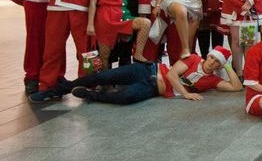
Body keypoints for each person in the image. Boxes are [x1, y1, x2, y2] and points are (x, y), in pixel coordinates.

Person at [30, 46, 241, 104]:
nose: (213, 63)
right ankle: (57, 90)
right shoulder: (193, 58)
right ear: (208, 56)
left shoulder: (212, 80)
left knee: (126, 97)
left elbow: (236, 88)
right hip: (149, 70)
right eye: (213, 58)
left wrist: (229, 65)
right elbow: (172, 76)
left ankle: (90, 95)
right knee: (103, 76)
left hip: (152, 89)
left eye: (217, 63)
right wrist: (185, 94)